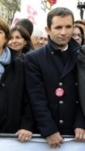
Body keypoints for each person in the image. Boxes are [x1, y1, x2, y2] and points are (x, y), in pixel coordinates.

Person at [25, 7, 85, 148]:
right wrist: (49, 129)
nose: (64, 32)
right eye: (58, 27)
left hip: (78, 133)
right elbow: (36, 97)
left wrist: (81, 122)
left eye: (68, 27)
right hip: (46, 136)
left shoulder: (81, 56)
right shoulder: (34, 58)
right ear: (48, 30)